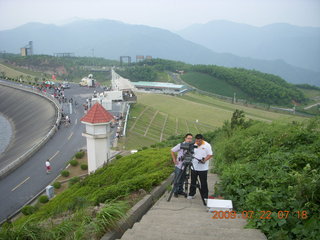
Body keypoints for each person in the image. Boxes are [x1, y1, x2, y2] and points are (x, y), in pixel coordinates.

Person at [188, 134, 213, 200]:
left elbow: (210, 154)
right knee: (193, 181)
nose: (198, 143)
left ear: (202, 140)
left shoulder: (207, 145)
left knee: (203, 182)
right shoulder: (193, 144)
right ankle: (191, 194)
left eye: (199, 141)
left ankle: (205, 196)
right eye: (196, 141)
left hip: (203, 168)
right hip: (194, 166)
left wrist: (204, 160)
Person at [171, 133, 193, 198]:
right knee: (177, 179)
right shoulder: (180, 145)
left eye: (191, 139)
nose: (190, 140)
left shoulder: (191, 146)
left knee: (183, 179)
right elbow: (172, 150)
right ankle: (175, 191)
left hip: (186, 165)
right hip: (179, 165)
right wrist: (174, 159)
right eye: (188, 138)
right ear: (185, 139)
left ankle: (180, 190)